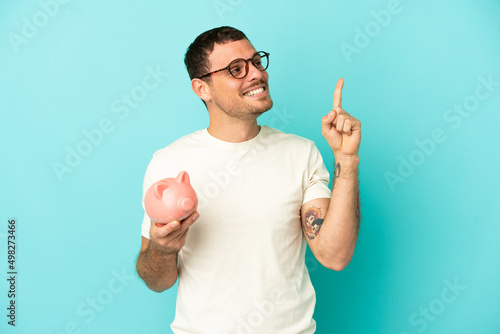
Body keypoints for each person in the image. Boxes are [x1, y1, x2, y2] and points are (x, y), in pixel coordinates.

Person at [136, 26, 361, 334]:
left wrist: (346, 160)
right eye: (236, 69)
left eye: (256, 62)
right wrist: (162, 251)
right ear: (202, 89)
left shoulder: (300, 153)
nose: (256, 74)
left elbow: (334, 256)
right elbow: (157, 281)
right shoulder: (169, 162)